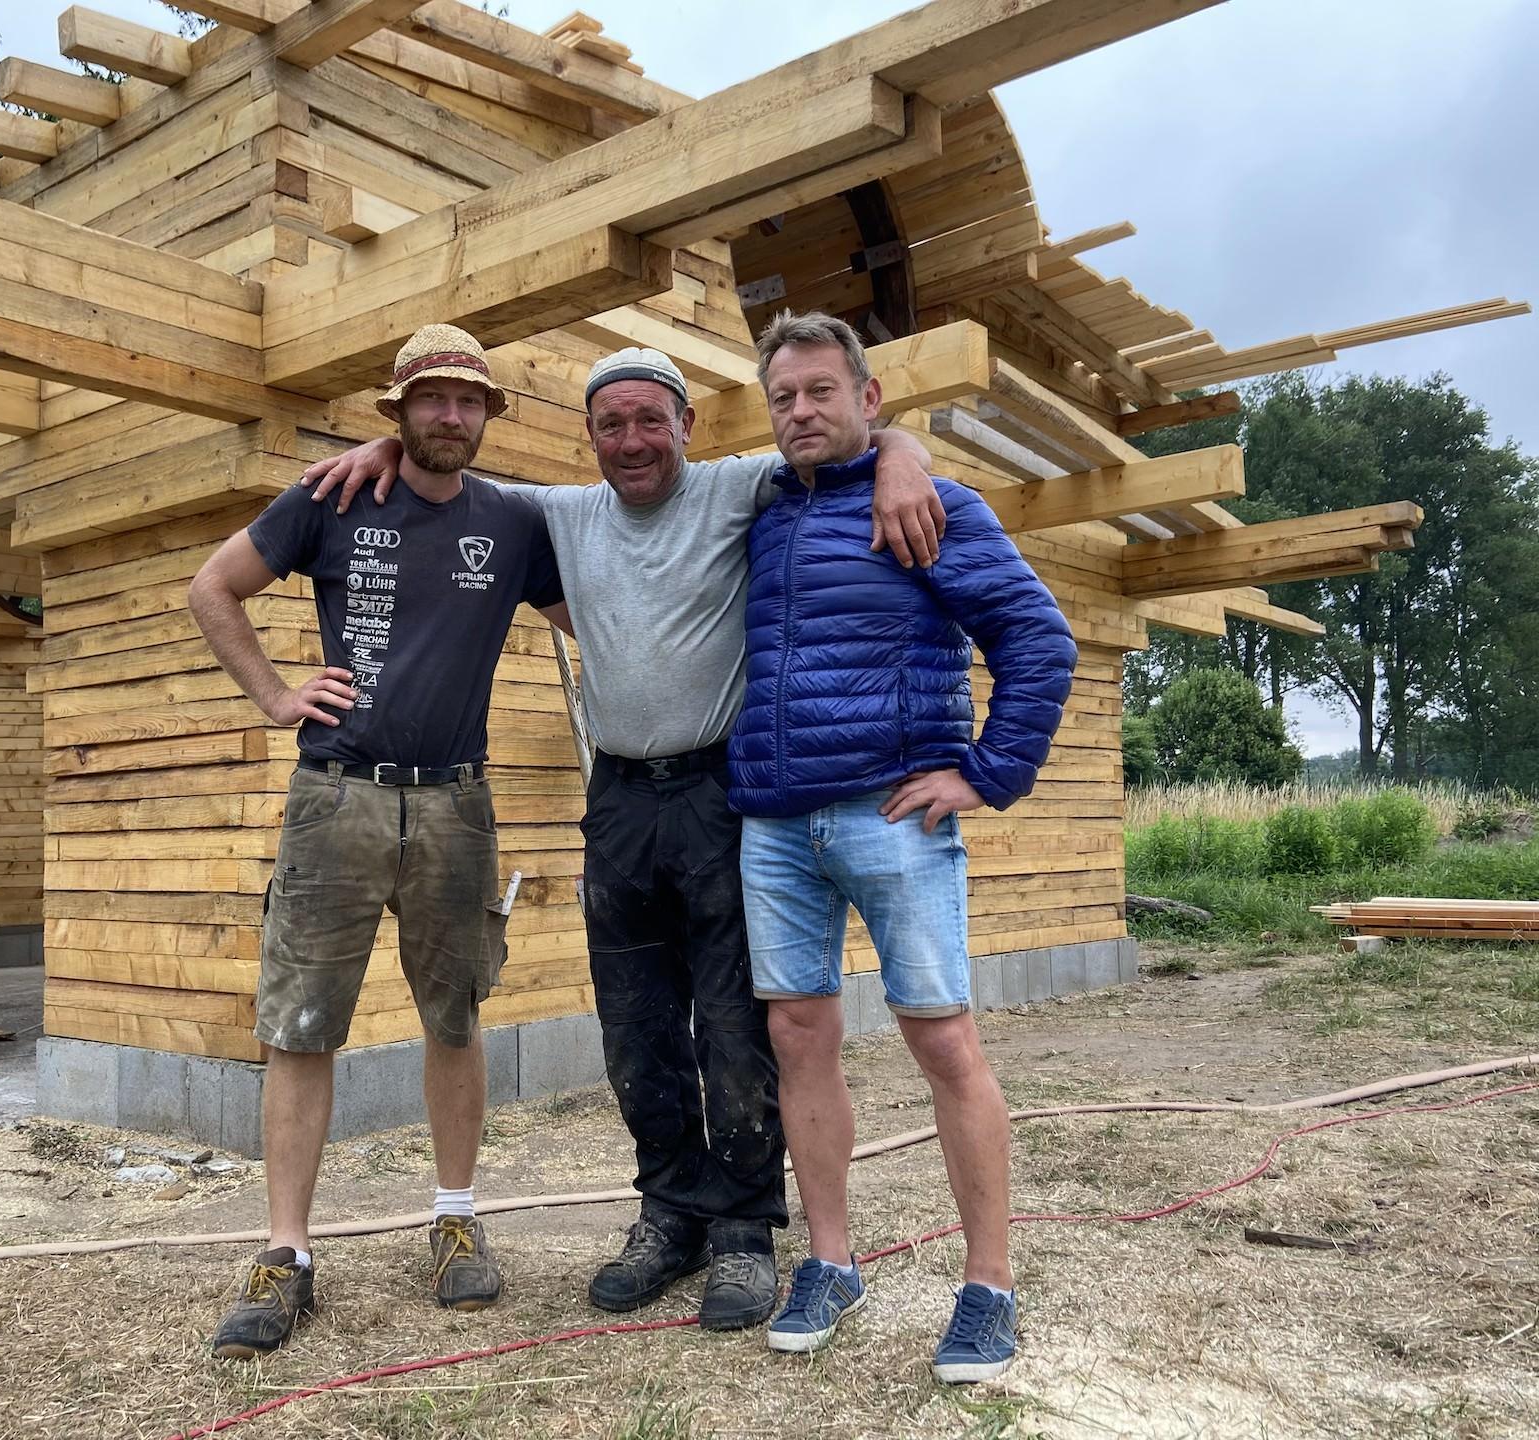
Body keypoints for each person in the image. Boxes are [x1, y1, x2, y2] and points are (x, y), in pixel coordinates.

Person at [303, 341, 945, 1332]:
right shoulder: (554, 513)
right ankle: (669, 1213)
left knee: (732, 1018)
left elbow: (851, 439)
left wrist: (902, 451)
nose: (633, 440)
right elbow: (445, 469)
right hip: (618, 801)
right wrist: (386, 451)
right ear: (589, 436)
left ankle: (741, 1230)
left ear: (688, 425)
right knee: (637, 1021)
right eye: (611, 424)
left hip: (718, 788)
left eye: (652, 419)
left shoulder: (739, 487)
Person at [187, 324, 570, 1357]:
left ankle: (453, 1218)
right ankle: (285, 1255)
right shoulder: (332, 500)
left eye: (469, 400)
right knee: (301, 1025)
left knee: (456, 1014)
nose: (452, 415)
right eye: (432, 398)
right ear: (396, 412)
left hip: (457, 804)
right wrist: (275, 693)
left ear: (488, 416)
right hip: (335, 797)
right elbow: (212, 587)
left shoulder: (519, 522)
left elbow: (596, 607)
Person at [727, 310, 1076, 1374]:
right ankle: (830, 1264)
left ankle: (988, 1289)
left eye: (821, 391)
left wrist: (986, 771)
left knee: (940, 1039)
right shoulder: (761, 514)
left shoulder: (931, 502)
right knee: (797, 1036)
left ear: (868, 400)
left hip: (893, 813)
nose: (801, 411)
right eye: (784, 396)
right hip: (776, 823)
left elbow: (1038, 638)